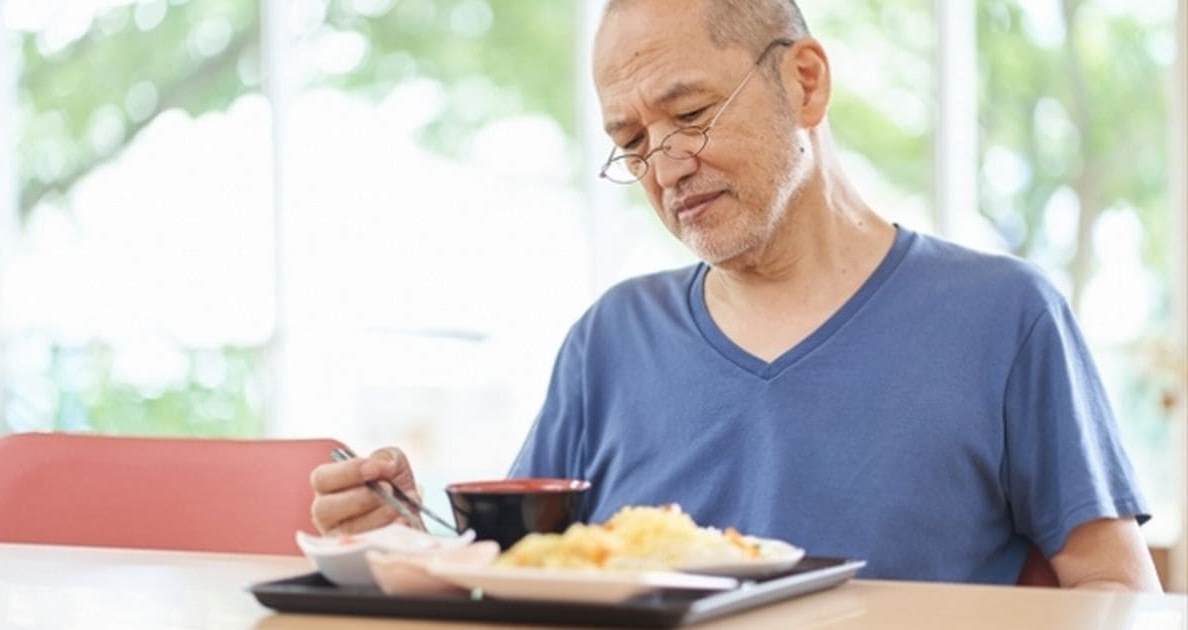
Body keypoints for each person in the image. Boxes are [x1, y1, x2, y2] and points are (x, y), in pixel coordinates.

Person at [310, 0, 1161, 591]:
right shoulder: (610, 341)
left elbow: (1115, 594)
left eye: (690, 114)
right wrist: (405, 549)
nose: (665, 164)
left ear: (806, 82)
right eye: (633, 141)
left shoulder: (1004, 318)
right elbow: (519, 590)